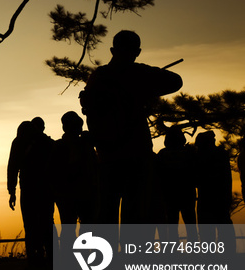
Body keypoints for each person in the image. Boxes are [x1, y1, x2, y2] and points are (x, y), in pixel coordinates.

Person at [80, 30, 183, 226]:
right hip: (136, 154)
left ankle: (105, 256)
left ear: (112, 50)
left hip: (107, 154)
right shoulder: (139, 74)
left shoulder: (98, 76)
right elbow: (176, 81)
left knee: (107, 213)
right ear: (138, 52)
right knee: (135, 214)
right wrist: (145, 85)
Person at [49, 111, 99, 253]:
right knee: (77, 227)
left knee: (74, 228)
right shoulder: (82, 145)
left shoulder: (83, 145)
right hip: (73, 193)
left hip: (76, 193)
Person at [7, 118, 55, 268]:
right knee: (46, 224)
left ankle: (35, 262)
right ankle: (50, 261)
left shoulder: (20, 142)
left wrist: (12, 191)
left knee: (31, 225)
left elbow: (12, 168)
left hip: (30, 188)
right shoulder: (48, 143)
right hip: (45, 189)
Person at [154, 126, 198, 242]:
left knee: (172, 228)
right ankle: (194, 255)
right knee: (191, 228)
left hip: (169, 197)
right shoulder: (189, 154)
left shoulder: (162, 154)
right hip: (186, 196)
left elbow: (157, 176)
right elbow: (195, 174)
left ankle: (173, 255)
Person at [194, 131, 235, 249]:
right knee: (223, 229)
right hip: (221, 198)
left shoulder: (200, 157)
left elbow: (196, 179)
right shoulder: (221, 154)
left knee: (207, 233)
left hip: (207, 199)